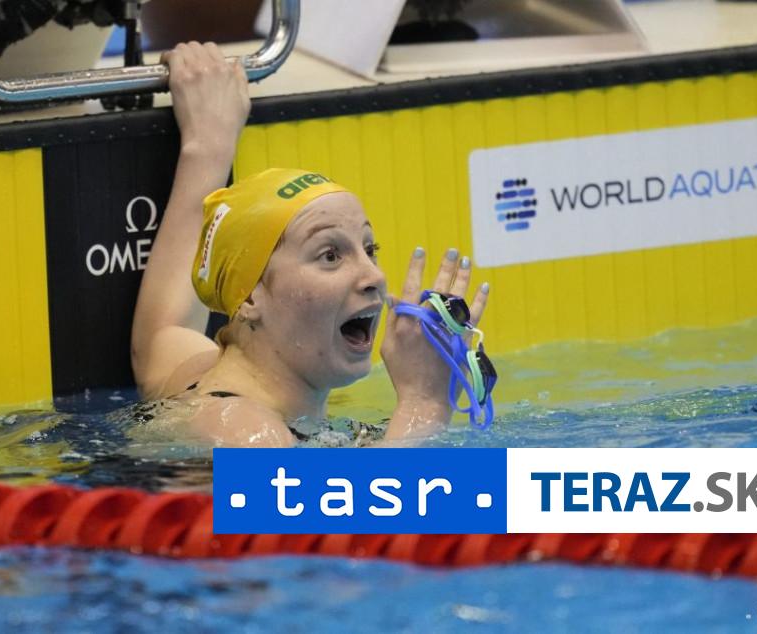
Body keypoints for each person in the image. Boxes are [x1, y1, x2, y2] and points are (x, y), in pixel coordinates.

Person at [131, 42, 489, 447]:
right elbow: (373, 495)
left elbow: (164, 328)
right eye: (330, 255)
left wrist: (209, 145)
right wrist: (424, 403)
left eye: (370, 249)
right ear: (250, 296)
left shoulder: (190, 375)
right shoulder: (247, 432)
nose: (374, 276)